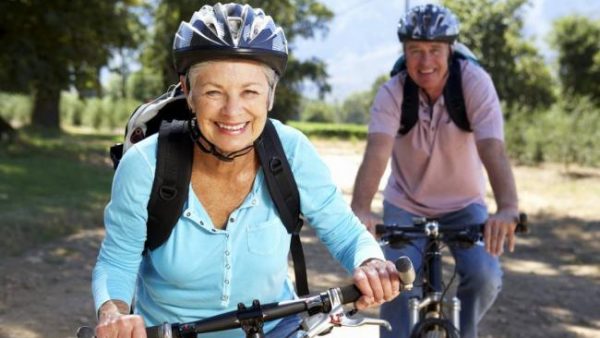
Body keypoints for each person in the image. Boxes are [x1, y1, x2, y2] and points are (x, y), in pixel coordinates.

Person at [92, 3, 400, 338]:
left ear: (271, 94)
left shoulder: (291, 151)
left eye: (250, 91)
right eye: (213, 92)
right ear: (187, 91)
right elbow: (118, 260)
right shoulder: (147, 164)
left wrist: (371, 262)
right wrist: (114, 313)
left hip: (275, 328)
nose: (232, 111)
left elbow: (345, 231)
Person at [350, 4, 520, 338]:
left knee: (484, 275)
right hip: (406, 205)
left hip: (464, 205)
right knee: (395, 280)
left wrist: (508, 207)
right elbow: (377, 151)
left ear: (450, 50)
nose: (425, 62)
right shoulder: (393, 92)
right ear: (404, 52)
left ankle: (463, 331)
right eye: (415, 51)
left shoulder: (474, 83)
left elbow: (492, 149)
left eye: (434, 51)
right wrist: (360, 208)